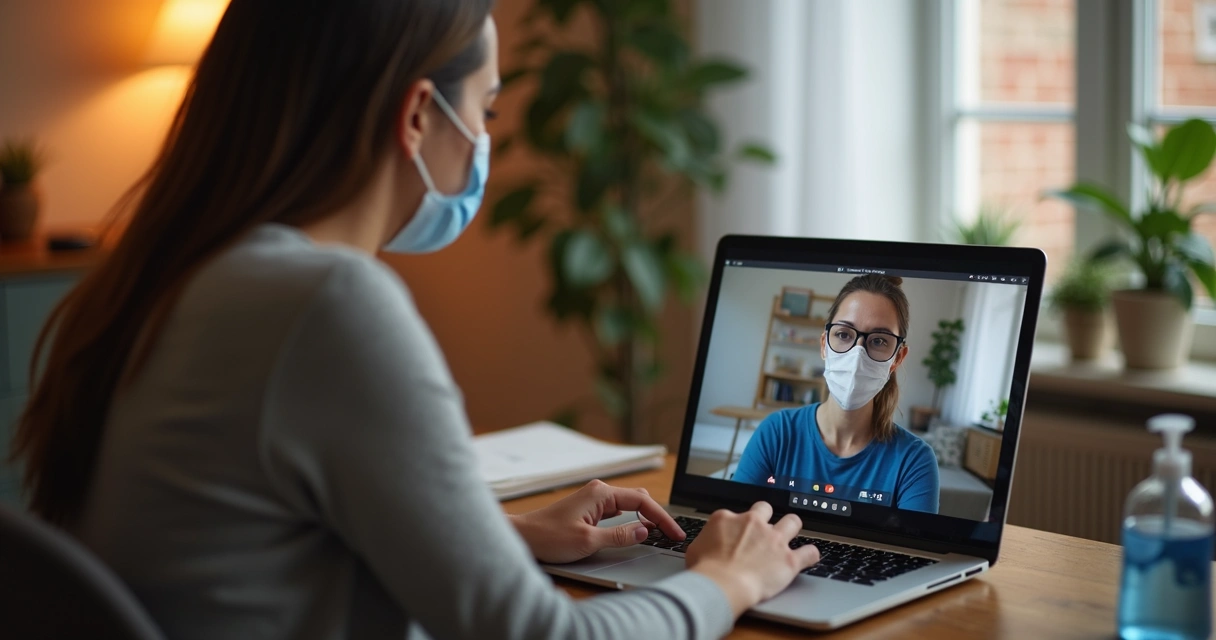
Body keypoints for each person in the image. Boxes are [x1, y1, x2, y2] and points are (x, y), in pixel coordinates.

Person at [8, 1, 821, 639]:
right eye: (487, 111)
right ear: (420, 115)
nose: (484, 141)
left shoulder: (170, 273)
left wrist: (498, 535)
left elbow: (251, 544)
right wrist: (727, 580)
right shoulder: (325, 303)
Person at [732, 275, 941, 514]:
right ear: (824, 345)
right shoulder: (777, 432)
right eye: (843, 335)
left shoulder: (914, 461)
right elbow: (736, 524)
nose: (857, 355)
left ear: (897, 358)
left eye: (879, 341)